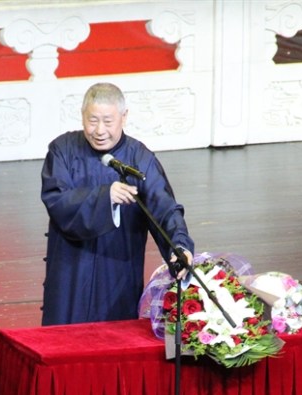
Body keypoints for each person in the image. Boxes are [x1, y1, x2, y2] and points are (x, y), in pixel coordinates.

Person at [39, 82, 194, 326]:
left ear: (124, 117)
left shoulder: (139, 158)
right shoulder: (63, 151)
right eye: (92, 120)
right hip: (71, 272)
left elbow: (163, 208)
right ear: (82, 116)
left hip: (118, 270)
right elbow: (57, 201)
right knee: (64, 345)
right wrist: (105, 197)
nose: (99, 130)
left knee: (115, 341)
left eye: (108, 121)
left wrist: (180, 245)